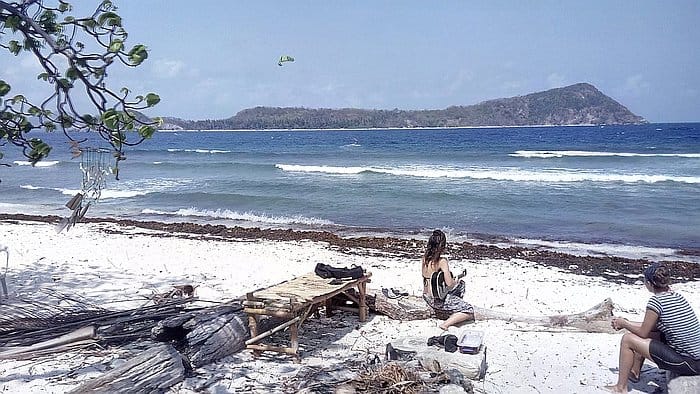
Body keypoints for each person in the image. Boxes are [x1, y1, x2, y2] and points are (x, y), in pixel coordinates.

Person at [604, 262, 700, 392]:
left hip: (688, 363)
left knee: (628, 339)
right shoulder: (677, 297)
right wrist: (625, 322)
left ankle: (620, 387)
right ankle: (634, 372)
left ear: (649, 283)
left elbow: (643, 332)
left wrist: (624, 324)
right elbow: (650, 328)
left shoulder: (656, 302)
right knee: (644, 335)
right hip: (695, 359)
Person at [421, 229, 474, 331]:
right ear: (442, 246)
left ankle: (454, 305)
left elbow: (427, 278)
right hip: (437, 301)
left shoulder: (424, 258)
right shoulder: (442, 261)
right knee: (469, 310)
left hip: (426, 296)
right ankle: (446, 324)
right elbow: (450, 284)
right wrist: (456, 281)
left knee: (458, 285)